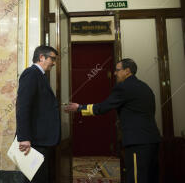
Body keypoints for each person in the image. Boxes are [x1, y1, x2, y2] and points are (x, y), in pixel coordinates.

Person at [64, 58, 161, 183]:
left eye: (117, 70)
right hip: (153, 140)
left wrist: (80, 108)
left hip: (137, 143)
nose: (115, 73)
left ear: (127, 71)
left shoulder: (124, 87)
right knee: (151, 177)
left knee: (137, 178)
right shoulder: (145, 87)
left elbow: (102, 107)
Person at [16, 45, 60, 183]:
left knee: (40, 178)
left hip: (41, 139)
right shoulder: (31, 73)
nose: (54, 63)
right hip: (34, 140)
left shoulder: (40, 75)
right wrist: (24, 137)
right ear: (42, 57)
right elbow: (23, 106)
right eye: (52, 59)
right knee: (35, 179)